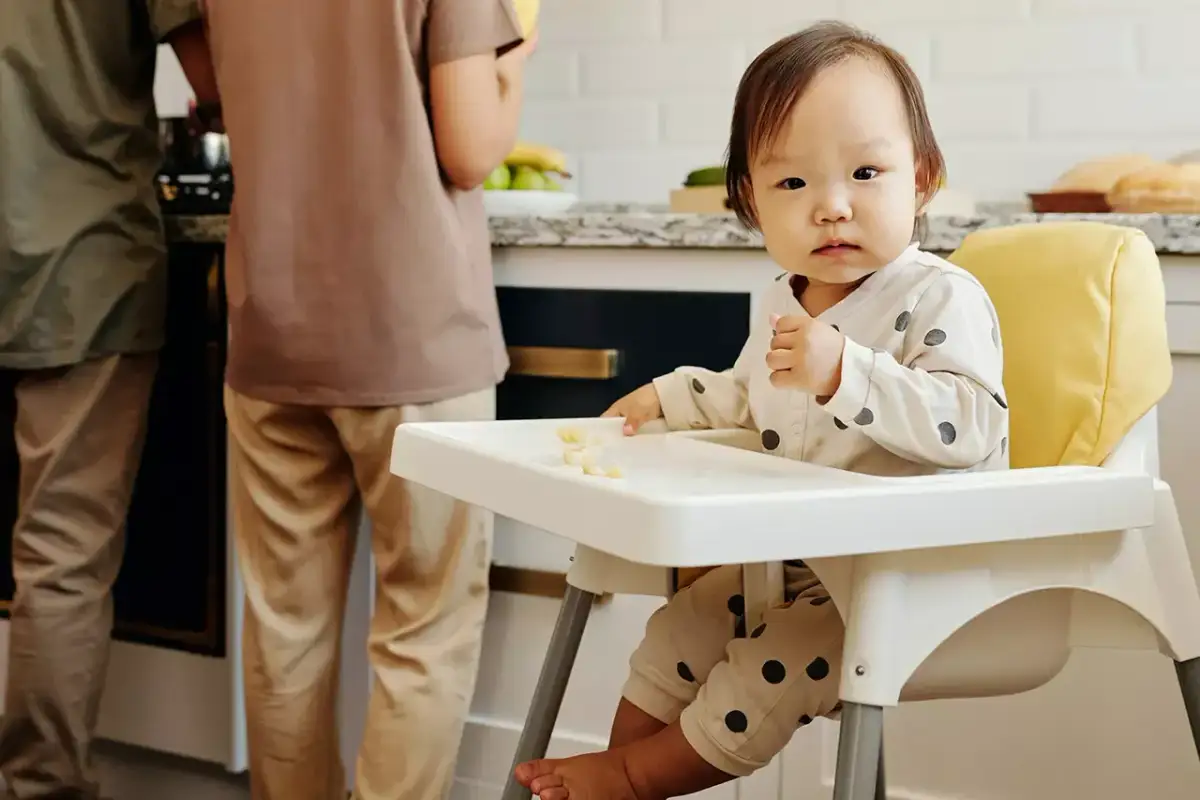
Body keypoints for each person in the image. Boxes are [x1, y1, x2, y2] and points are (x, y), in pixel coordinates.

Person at [515, 20, 1010, 800]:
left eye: (866, 172)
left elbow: (971, 422)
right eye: (792, 184)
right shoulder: (785, 302)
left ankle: (632, 779)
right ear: (749, 200)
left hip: (911, 578)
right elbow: (752, 399)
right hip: (807, 565)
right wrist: (670, 397)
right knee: (680, 627)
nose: (831, 207)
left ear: (922, 178)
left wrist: (847, 371)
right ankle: (614, 778)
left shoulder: (939, 296)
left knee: (772, 662)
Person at [199, 1, 535, 798]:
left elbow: (226, 93)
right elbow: (471, 149)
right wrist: (519, 47)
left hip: (272, 328)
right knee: (426, 624)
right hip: (411, 334)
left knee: (284, 626)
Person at [0, 4, 219, 798]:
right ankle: (39, 790)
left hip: (71, 263)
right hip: (80, 262)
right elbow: (221, 78)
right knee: (59, 559)